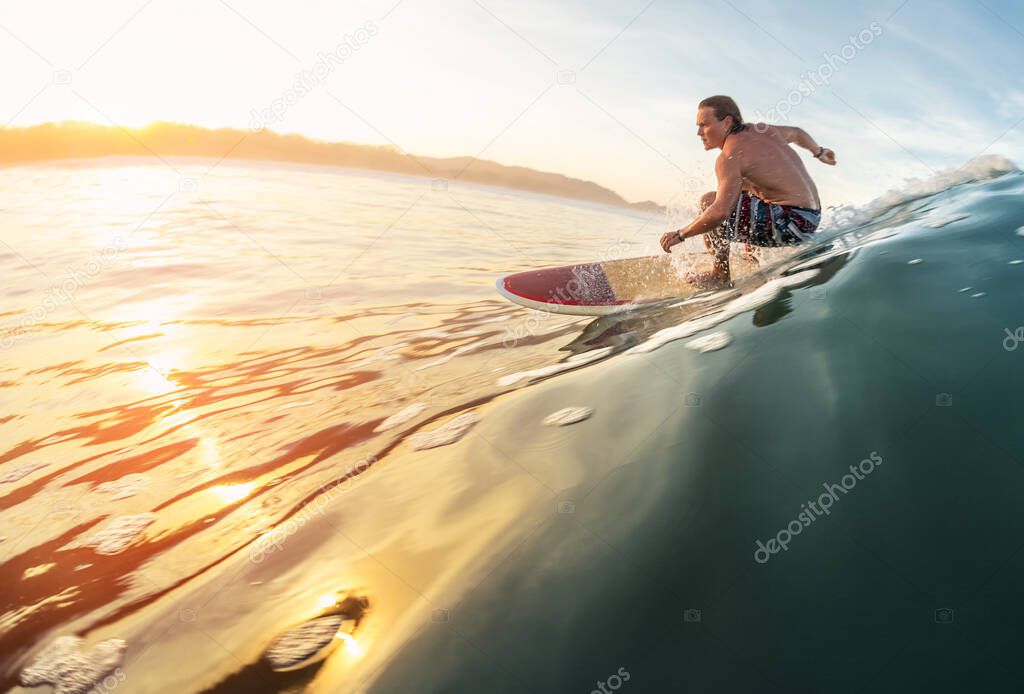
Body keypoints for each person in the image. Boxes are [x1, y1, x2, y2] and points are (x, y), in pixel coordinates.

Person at [660, 95, 836, 288]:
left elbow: (720, 212)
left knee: (709, 202)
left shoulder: (730, 156)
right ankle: (752, 252)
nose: (699, 132)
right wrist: (819, 152)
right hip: (812, 217)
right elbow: (797, 133)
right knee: (742, 186)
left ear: (727, 121)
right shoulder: (762, 129)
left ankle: (719, 276)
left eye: (704, 125)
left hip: (792, 224)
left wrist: (681, 234)